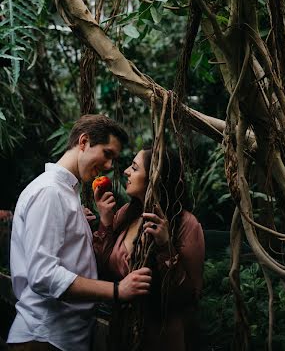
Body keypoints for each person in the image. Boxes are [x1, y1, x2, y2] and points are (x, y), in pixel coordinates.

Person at [7, 115, 152, 351]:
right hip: (45, 337)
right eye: (107, 154)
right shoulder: (50, 193)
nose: (108, 166)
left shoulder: (65, 194)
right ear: (83, 142)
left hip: (60, 337)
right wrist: (117, 290)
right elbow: (43, 275)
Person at [93, 147, 205, 351]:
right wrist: (105, 223)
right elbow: (101, 269)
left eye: (134, 168)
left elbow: (189, 294)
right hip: (122, 332)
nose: (126, 171)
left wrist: (165, 246)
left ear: (154, 178)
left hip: (163, 338)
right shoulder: (127, 213)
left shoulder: (186, 224)